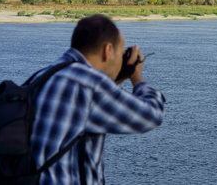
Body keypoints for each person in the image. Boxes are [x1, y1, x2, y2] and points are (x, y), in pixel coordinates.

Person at [30, 14, 165, 184]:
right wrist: (137, 78)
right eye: (120, 53)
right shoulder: (88, 84)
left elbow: (87, 110)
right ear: (108, 50)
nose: (120, 59)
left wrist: (117, 79)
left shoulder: (43, 76)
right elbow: (150, 116)